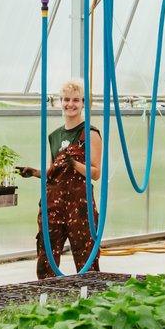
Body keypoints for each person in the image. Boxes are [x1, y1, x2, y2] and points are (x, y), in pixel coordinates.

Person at [19, 79, 105, 277]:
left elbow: (96, 173)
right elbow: (54, 172)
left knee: (86, 256)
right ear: (60, 102)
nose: (70, 104)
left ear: (84, 103)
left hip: (79, 205)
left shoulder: (89, 133)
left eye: (76, 100)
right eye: (66, 99)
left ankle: (89, 299)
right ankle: (49, 300)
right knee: (46, 255)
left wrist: (74, 164)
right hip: (54, 203)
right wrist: (34, 172)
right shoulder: (55, 136)